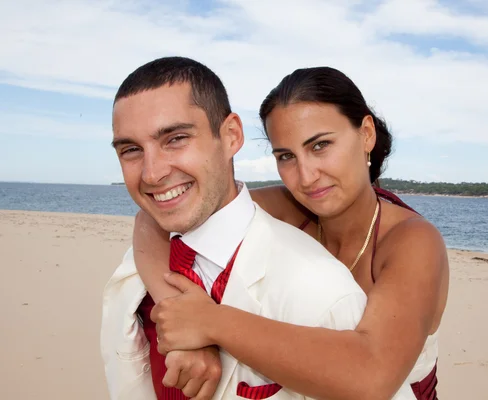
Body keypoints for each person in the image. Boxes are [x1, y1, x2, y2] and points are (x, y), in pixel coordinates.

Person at [136, 66, 449, 400]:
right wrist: (180, 319)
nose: (306, 176)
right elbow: (156, 218)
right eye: (286, 156)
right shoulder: (290, 207)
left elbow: (372, 376)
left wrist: (211, 323)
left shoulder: (412, 241)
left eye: (320, 146)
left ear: (366, 134)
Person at [100, 57, 371, 400]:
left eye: (176, 138)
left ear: (231, 136)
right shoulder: (137, 264)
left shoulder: (322, 291)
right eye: (131, 150)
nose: (151, 174)